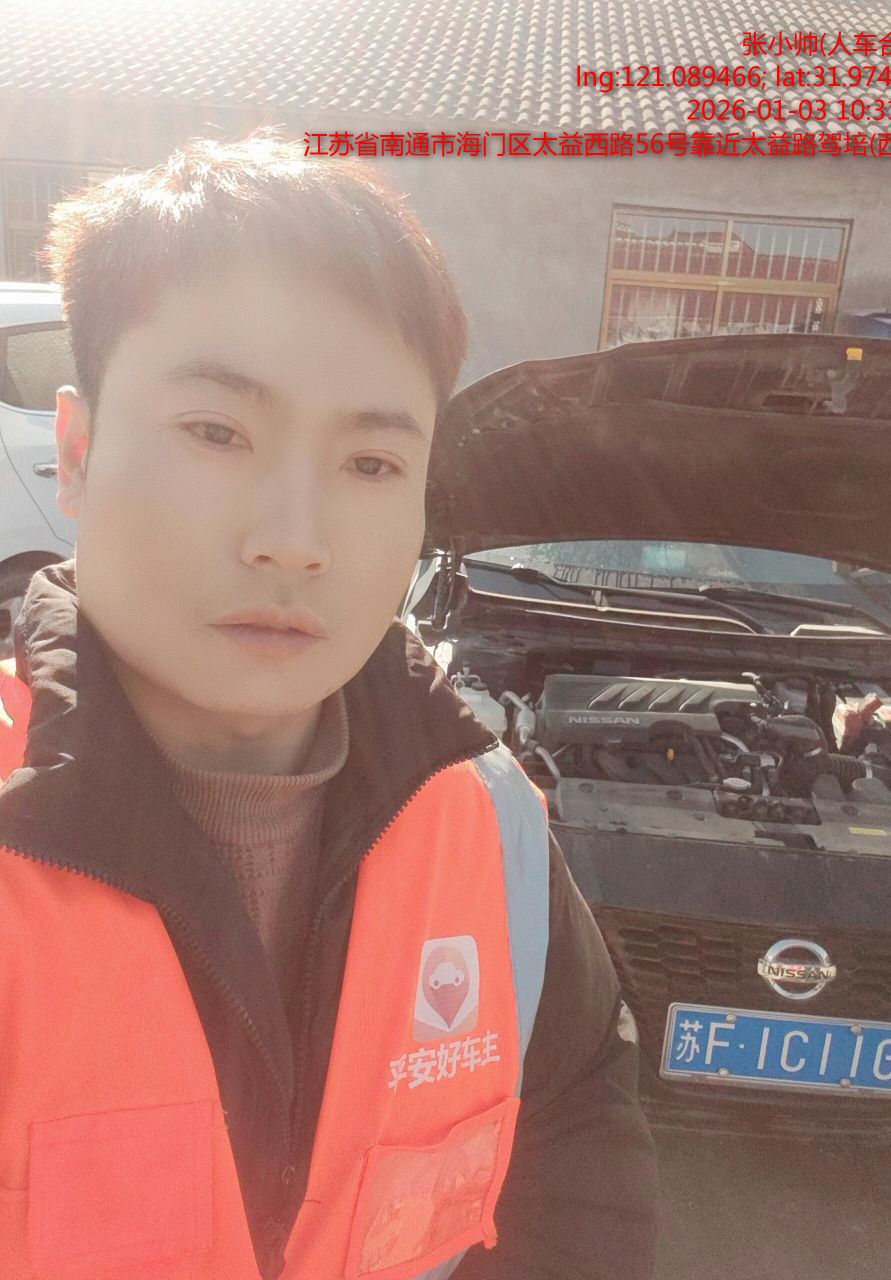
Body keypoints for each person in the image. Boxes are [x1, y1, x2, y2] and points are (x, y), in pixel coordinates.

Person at [0, 134, 658, 1279]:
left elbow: (573, 1137)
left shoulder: (487, 821)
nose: (294, 539)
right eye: (217, 432)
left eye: (369, 464)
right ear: (78, 447)